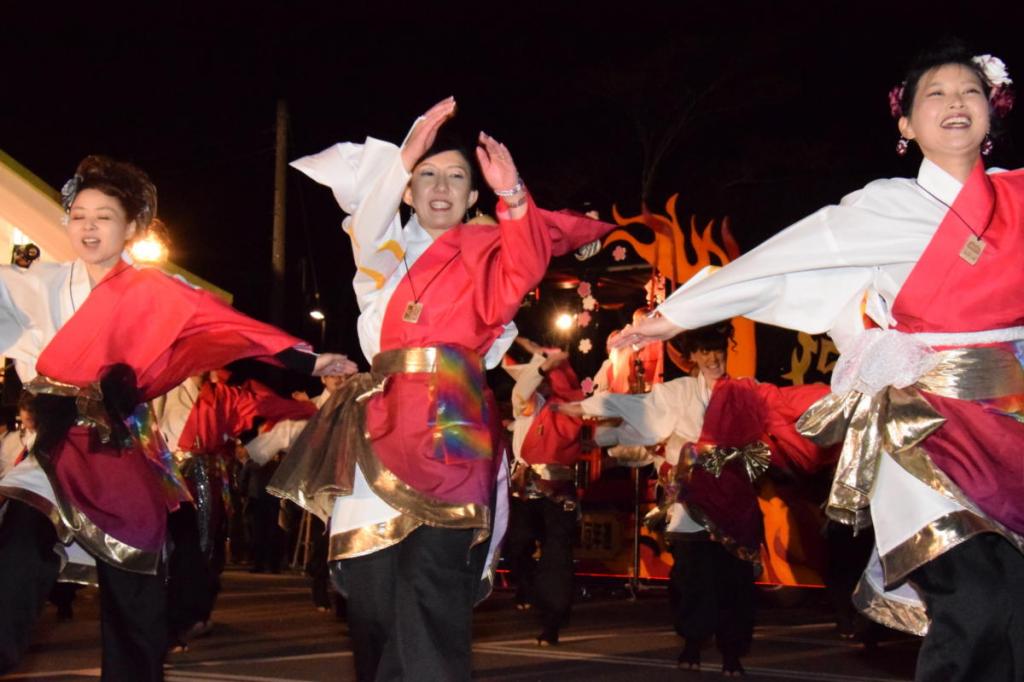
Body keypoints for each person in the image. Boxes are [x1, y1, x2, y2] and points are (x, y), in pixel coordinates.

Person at [615, 44, 1024, 681]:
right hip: (926, 426)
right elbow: (785, 262)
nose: (954, 103)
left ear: (992, 113)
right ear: (906, 125)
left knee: (1014, 611)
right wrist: (676, 314)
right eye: (934, 94)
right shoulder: (883, 206)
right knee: (973, 597)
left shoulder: (1019, 199)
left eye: (969, 91)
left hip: (1011, 419)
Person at [269, 97, 612, 680]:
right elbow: (367, 219)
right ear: (406, 191)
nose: (441, 186)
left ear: (473, 197)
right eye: (426, 175)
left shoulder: (488, 256)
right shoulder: (381, 254)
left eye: (457, 177)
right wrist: (402, 158)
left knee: (432, 588)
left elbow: (527, 261)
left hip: (455, 425)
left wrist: (515, 196)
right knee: (373, 598)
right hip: (379, 420)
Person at [0, 154, 355, 680]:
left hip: (117, 446)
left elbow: (223, 325)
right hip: (53, 442)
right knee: (17, 545)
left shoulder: (154, 291)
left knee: (133, 583)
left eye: (104, 216)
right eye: (79, 215)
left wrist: (307, 359)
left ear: (131, 227)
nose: (89, 227)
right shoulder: (32, 282)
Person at [562, 322, 828, 674]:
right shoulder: (680, 392)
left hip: (733, 501)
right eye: (705, 352)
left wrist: (838, 395)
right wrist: (589, 408)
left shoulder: (744, 391)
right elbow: (641, 407)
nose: (713, 358)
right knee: (691, 578)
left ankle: (732, 651)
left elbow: (785, 400)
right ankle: (692, 640)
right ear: (693, 357)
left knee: (734, 582)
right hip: (690, 502)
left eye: (718, 350)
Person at [502, 339, 585, 647]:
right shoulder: (528, 403)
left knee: (557, 555)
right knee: (517, 544)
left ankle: (552, 620)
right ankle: (530, 588)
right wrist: (541, 365)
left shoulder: (567, 410)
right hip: (524, 490)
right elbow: (521, 393)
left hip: (557, 491)